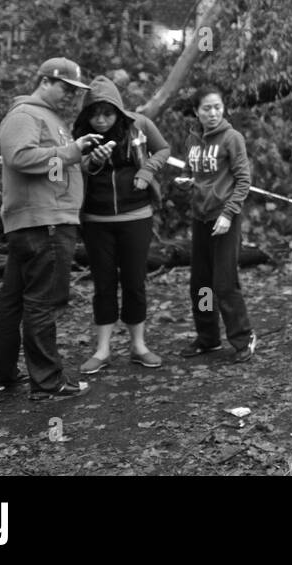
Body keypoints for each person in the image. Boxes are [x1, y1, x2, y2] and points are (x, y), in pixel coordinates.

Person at [0, 57, 105, 400]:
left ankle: (2, 374)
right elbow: (19, 158)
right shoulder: (25, 115)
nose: (69, 95)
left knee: (12, 300)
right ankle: (48, 382)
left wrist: (84, 157)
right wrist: (71, 152)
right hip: (44, 223)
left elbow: (54, 166)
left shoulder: (51, 118)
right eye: (65, 88)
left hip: (44, 219)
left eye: (74, 90)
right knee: (43, 302)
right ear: (46, 81)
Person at [71, 75, 171, 375]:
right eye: (95, 114)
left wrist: (147, 172)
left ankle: (138, 346)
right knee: (103, 284)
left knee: (134, 281)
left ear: (118, 110)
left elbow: (163, 150)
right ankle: (102, 350)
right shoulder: (79, 135)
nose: (101, 120)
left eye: (107, 113)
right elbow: (67, 170)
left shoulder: (139, 125)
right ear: (87, 113)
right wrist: (92, 161)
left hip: (136, 217)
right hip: (95, 220)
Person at [174, 86, 255, 362]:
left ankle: (243, 338)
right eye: (207, 108)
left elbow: (243, 181)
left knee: (224, 282)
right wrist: (185, 181)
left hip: (225, 219)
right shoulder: (192, 139)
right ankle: (208, 338)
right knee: (201, 284)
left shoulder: (232, 138)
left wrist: (228, 214)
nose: (213, 113)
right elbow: (190, 171)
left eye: (217, 107)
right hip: (201, 217)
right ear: (196, 111)